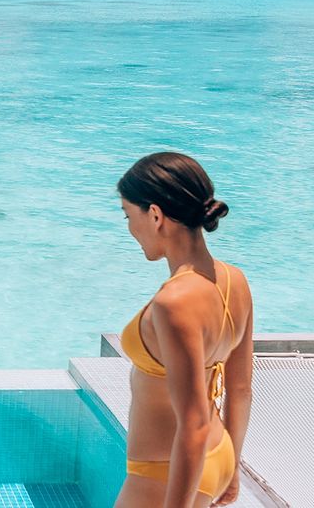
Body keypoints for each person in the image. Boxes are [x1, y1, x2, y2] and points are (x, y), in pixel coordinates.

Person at [113, 152, 254, 508]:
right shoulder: (235, 281)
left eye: (128, 215)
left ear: (155, 215)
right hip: (218, 453)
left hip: (163, 475)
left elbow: (192, 425)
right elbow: (240, 390)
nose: (130, 229)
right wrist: (232, 468)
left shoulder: (173, 303)